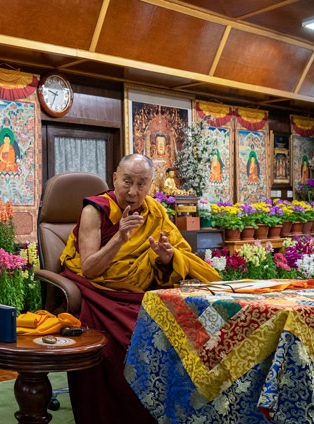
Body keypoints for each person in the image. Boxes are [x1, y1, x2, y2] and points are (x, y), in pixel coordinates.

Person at [59, 154, 221, 424]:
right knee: (129, 339)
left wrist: (167, 258)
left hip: (140, 291)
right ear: (114, 179)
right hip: (100, 289)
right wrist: (120, 238)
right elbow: (89, 268)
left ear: (150, 186)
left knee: (180, 327)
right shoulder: (94, 211)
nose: (133, 192)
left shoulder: (154, 212)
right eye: (127, 182)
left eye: (141, 184)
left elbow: (179, 254)